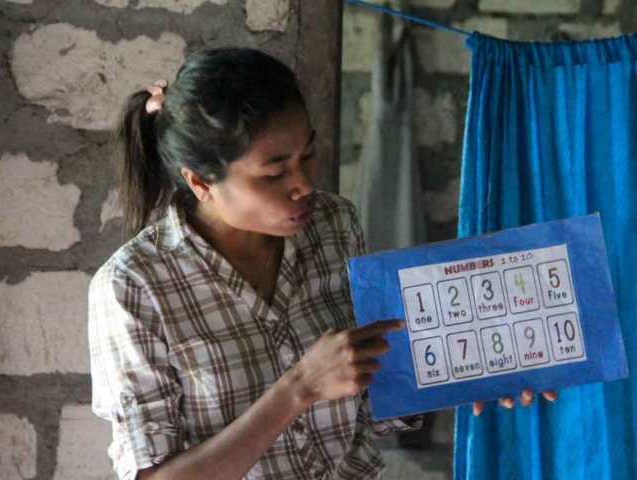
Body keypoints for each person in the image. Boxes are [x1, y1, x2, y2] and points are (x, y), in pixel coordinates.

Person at [88, 48, 555, 480]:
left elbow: (371, 397)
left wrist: (473, 369)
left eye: (308, 154)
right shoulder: (134, 286)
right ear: (200, 182)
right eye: (274, 173)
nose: (303, 184)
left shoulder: (335, 224)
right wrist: (299, 388)